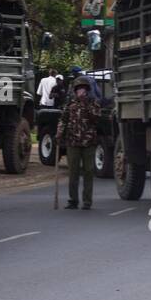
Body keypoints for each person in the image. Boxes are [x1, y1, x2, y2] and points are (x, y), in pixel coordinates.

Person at [55, 75, 101, 210]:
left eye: (83, 89)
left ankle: (87, 201)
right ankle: (73, 200)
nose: (80, 91)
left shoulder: (93, 103)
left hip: (88, 142)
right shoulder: (70, 104)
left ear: (87, 90)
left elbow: (96, 118)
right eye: (78, 89)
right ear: (75, 90)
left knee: (88, 171)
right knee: (73, 172)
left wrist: (86, 103)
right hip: (73, 142)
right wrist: (59, 133)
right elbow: (63, 120)